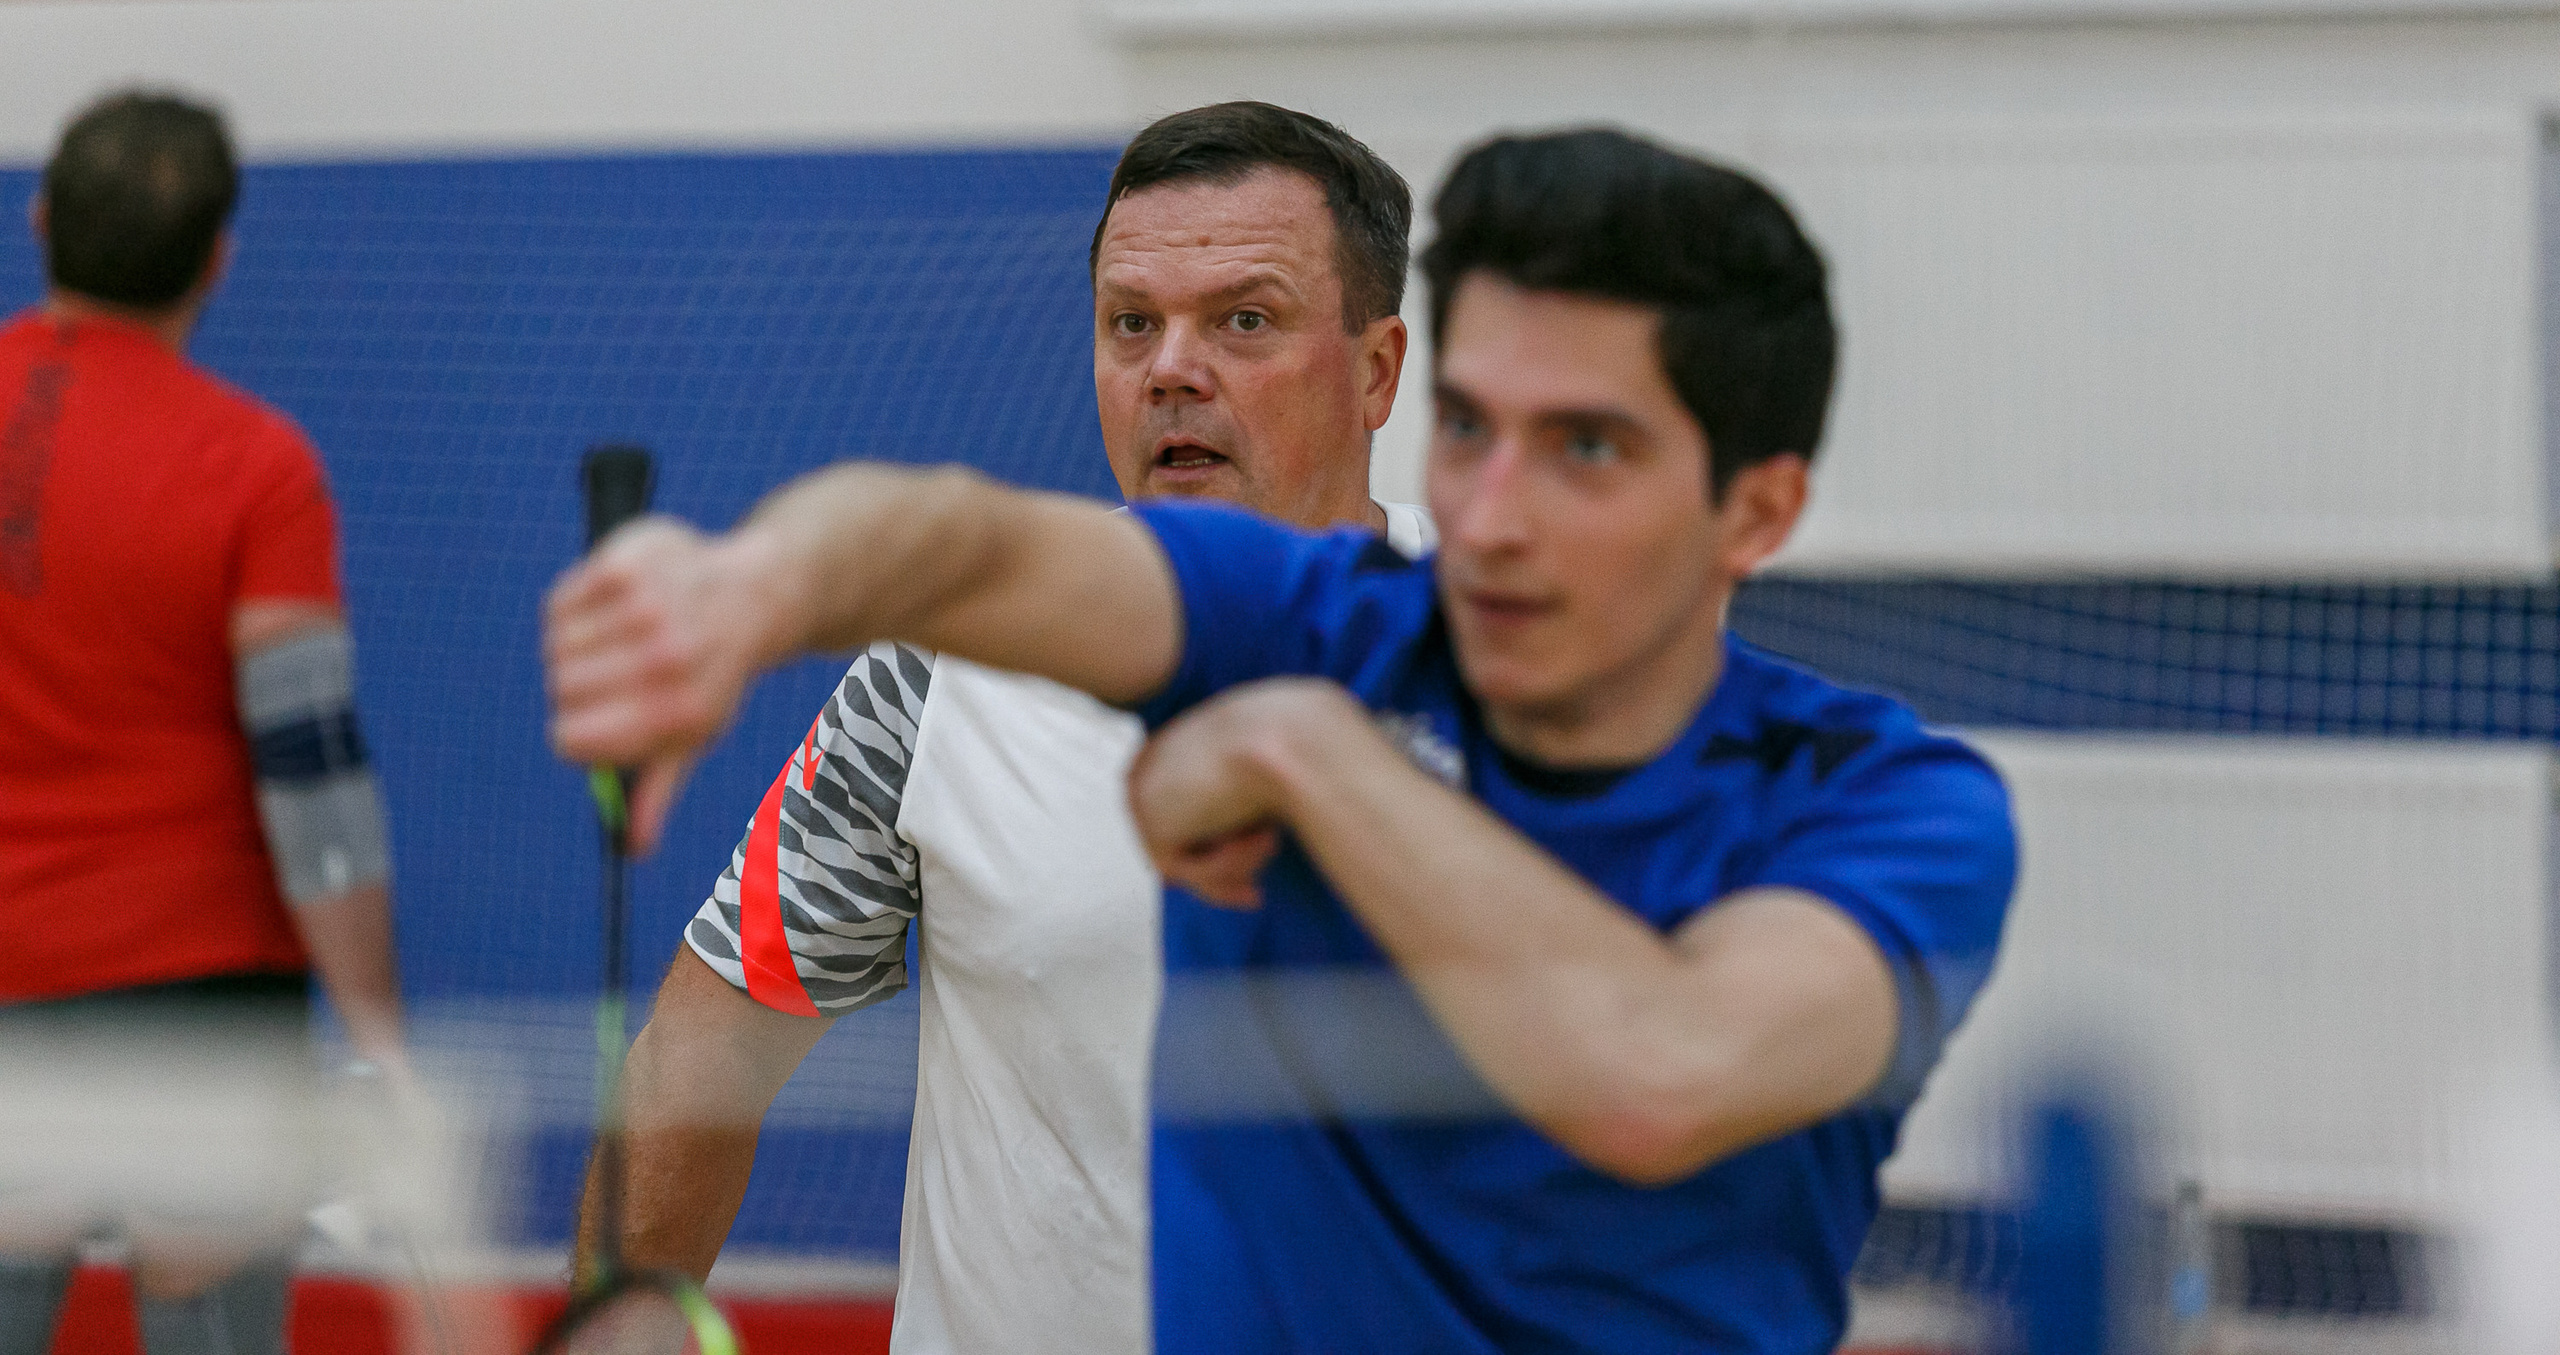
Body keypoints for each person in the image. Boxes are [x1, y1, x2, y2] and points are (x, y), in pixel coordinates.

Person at [545, 127, 2018, 1355]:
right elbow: (955, 543)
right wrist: (749, 587)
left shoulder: (1881, 804)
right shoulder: (1289, 607)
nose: (1499, 505)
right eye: (1476, 428)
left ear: (1756, 511)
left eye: (1586, 446)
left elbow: (1661, 1069)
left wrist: (1310, 760)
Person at [581, 101, 1430, 1352]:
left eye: (1243, 321)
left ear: (1376, 370)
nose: (1171, 368)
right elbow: (699, 1055)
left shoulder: (1524, 661)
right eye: (1129, 324)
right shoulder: (937, 670)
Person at [0, 93, 406, 1355]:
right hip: (202, 1005)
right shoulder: (256, 467)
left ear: (45, 217)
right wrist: (381, 1032)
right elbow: (312, 781)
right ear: (218, 257)